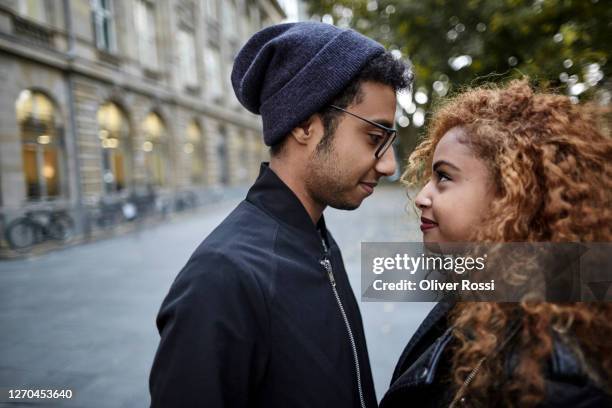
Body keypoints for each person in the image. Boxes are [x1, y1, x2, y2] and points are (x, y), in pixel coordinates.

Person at [149, 22, 411, 407]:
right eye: (374, 138)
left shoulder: (315, 237)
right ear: (305, 125)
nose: (389, 165)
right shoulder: (222, 276)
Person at [380, 80, 612, 407]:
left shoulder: (557, 385)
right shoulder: (475, 295)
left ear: (512, 196)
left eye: (444, 177)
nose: (421, 197)